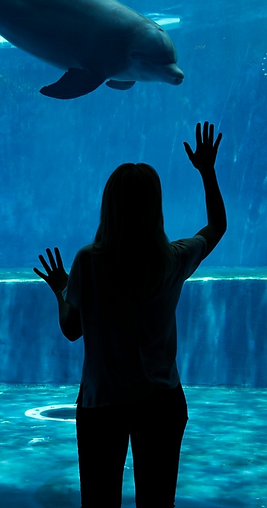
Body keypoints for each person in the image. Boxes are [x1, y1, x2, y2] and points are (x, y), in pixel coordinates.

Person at [35, 120, 226, 508]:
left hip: (102, 403)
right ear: (155, 206)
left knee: (100, 503)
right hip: (162, 401)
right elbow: (217, 226)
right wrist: (207, 171)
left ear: (109, 206)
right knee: (157, 504)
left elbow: (72, 329)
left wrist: (60, 288)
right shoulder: (172, 259)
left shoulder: (89, 262)